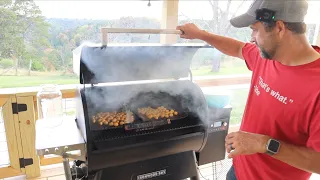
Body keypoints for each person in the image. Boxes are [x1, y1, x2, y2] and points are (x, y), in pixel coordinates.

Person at [176, 0, 320, 180]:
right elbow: (238, 48)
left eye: (255, 29)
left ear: (280, 28)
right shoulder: (267, 56)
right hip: (238, 171)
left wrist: (264, 143)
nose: (251, 37)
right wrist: (200, 34)